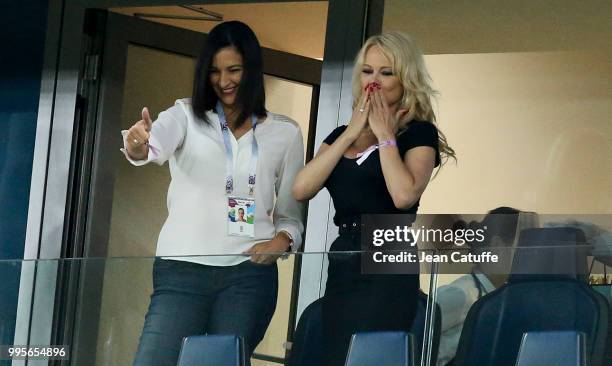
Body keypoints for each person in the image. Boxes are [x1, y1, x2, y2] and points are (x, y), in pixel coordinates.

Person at [122, 21, 304, 366]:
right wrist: (136, 144)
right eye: (215, 71)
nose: (224, 81)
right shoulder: (184, 116)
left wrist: (282, 242)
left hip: (248, 273)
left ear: (252, 69)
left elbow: (291, 215)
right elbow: (148, 148)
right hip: (181, 270)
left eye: (234, 70)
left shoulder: (285, 133)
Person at [292, 31, 455, 366]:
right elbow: (301, 188)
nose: (374, 81)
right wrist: (352, 132)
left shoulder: (419, 132)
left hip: (389, 247)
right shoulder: (341, 135)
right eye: (367, 71)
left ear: (405, 78)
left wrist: (384, 135)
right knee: (338, 352)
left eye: (386, 72)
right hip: (345, 253)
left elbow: (403, 195)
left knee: (373, 353)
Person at [436, 207, 538, 366]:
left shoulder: (499, 298)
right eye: (525, 248)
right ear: (497, 246)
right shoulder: (462, 294)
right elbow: (414, 336)